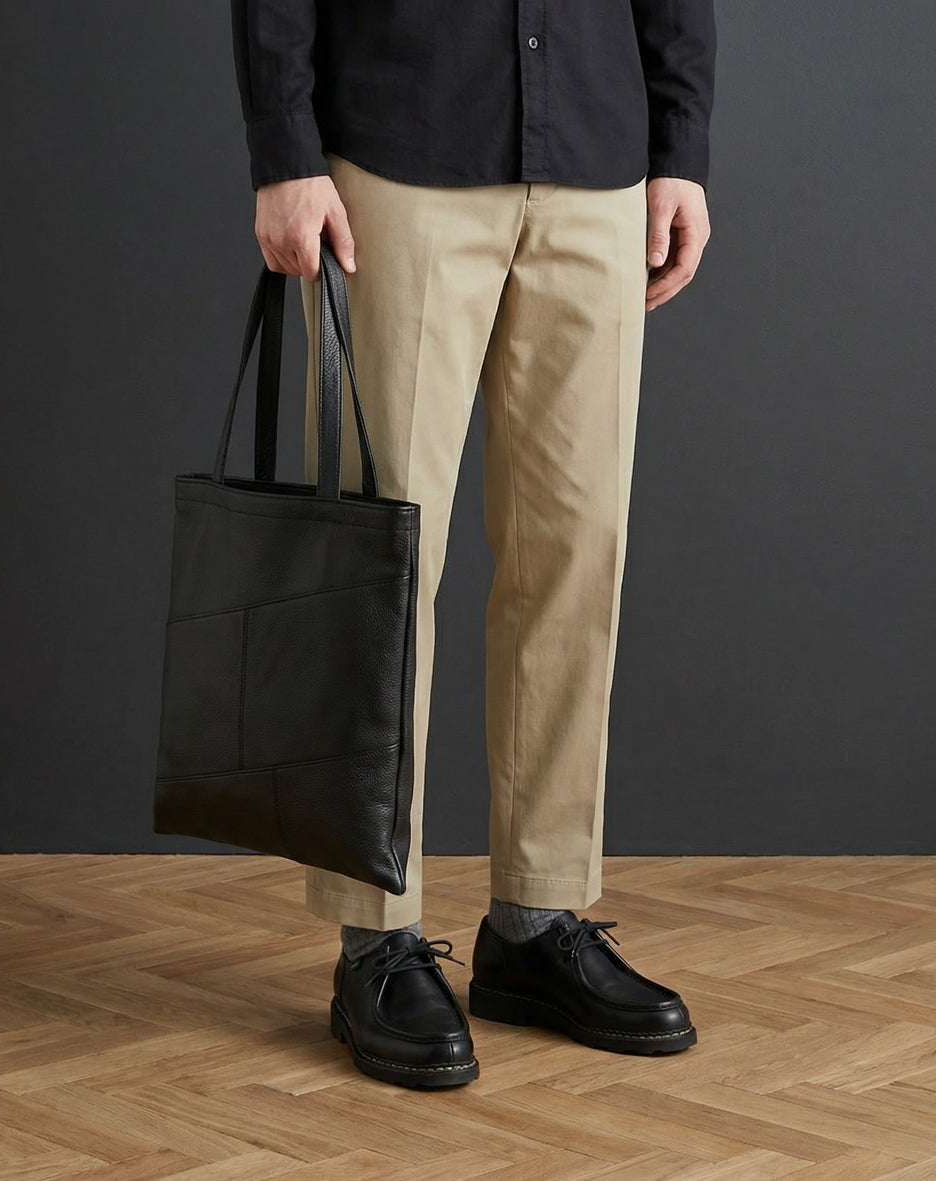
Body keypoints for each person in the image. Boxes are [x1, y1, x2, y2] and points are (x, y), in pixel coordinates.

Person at [231, 0, 716, 1089]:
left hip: (597, 159)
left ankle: (538, 921)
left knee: (575, 555)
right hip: (399, 154)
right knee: (379, 564)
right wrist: (285, 149)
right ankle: (374, 938)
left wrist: (680, 146)